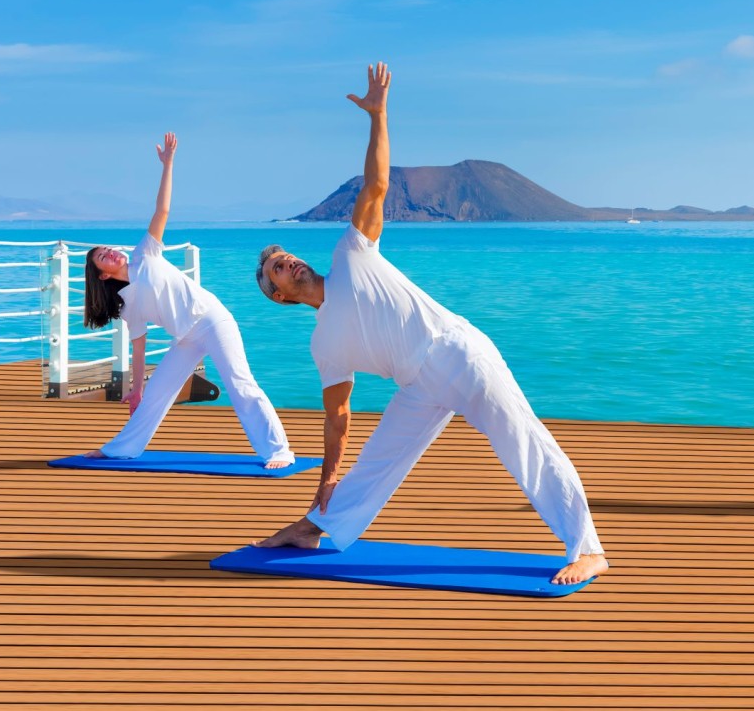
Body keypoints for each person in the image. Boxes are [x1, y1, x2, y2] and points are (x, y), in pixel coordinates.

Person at [253, 62, 608, 585]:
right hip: (418, 383)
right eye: (276, 269)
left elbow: (375, 186)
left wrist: (378, 116)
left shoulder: (351, 253)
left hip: (458, 353)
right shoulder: (323, 344)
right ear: (281, 297)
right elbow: (338, 416)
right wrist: (325, 478)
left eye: (286, 256)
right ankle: (314, 526)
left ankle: (589, 548)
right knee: (378, 459)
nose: (289, 263)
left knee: (523, 443)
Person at [81, 133, 295, 469]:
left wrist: (168, 166)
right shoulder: (128, 307)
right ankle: (122, 448)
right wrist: (135, 390)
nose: (109, 252)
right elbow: (138, 351)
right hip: (186, 337)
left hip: (212, 320)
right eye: (101, 258)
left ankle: (278, 450)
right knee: (154, 395)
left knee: (240, 384)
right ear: (103, 276)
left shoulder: (144, 254)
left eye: (106, 249)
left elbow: (162, 209)